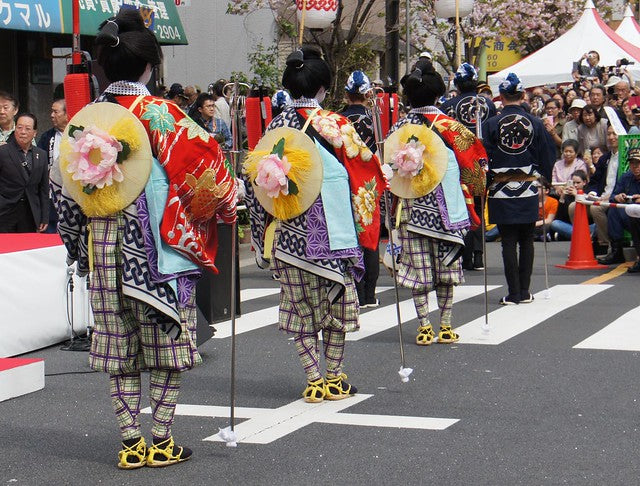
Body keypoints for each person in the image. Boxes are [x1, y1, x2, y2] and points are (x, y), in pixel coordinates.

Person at [53, 10, 237, 469]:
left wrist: (78, 247)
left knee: (120, 350)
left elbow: (65, 194)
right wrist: (230, 206)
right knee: (165, 350)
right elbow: (210, 174)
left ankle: (131, 442)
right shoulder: (163, 114)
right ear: (151, 67)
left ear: (102, 68)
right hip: (156, 251)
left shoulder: (83, 124)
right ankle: (161, 438)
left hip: (103, 247)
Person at [245, 46, 384, 402]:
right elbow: (366, 172)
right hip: (332, 235)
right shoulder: (336, 125)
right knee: (336, 306)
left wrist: (260, 238)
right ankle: (335, 376)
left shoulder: (274, 126)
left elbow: (254, 185)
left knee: (300, 308)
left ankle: (313, 378)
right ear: (323, 88)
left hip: (288, 235)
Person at [388, 58, 487, 345]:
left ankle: (423, 324)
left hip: (411, 207)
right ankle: (445, 323)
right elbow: (475, 165)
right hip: (447, 209)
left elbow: (389, 171)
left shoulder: (400, 128)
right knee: (446, 269)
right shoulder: (452, 126)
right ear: (438, 95)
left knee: (418, 270)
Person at [482, 72, 555, 305]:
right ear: (523, 95)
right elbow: (548, 153)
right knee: (527, 239)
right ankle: (524, 291)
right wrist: (546, 178)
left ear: (500, 96)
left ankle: (513, 292)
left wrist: (483, 184)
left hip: (500, 189)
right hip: (528, 187)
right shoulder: (534, 123)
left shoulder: (490, 124)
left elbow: (483, 158)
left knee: (508, 240)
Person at [439, 62, 494, 271]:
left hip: (457, 165)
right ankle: (479, 254)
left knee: (460, 207)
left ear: (458, 84)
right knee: (478, 206)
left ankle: (465, 254)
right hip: (480, 163)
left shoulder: (447, 107)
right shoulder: (488, 105)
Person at [340, 70, 380, 308]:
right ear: (367, 94)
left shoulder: (338, 120)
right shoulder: (375, 120)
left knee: (351, 235)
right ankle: (370, 294)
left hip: (345, 183)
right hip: (370, 185)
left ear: (346, 94)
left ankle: (355, 288)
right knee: (370, 235)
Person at [0, 113, 48, 233]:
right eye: (19, 127)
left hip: (30, 213)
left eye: (27, 129)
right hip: (5, 212)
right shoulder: (3, 152)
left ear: (35, 133)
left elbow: (43, 188)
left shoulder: (41, 155)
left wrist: (44, 216)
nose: (23, 132)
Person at [577, 124, 620, 255]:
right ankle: (583, 244)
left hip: (613, 198)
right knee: (575, 206)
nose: (611, 137)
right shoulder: (604, 158)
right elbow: (594, 180)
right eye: (609, 134)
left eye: (614, 134)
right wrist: (592, 192)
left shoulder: (625, 158)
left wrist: (610, 196)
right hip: (600, 196)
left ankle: (606, 244)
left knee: (597, 208)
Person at [597, 148, 640, 266]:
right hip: (630, 214)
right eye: (632, 163)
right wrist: (618, 197)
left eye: (638, 163)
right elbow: (613, 195)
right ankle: (617, 250)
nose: (635, 166)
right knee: (614, 209)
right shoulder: (626, 177)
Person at [37, 99, 68, 233]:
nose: (51, 115)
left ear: (67, 114)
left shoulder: (81, 133)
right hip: (51, 194)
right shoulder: (47, 137)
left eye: (55, 111)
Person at [549, 169, 593, 240]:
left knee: (597, 226)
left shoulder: (588, 192)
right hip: (571, 225)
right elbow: (559, 217)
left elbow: (589, 214)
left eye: (578, 183)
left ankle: (577, 236)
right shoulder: (568, 194)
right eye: (573, 183)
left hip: (586, 225)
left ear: (584, 182)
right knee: (555, 223)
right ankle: (582, 237)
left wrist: (577, 195)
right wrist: (562, 198)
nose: (575, 185)